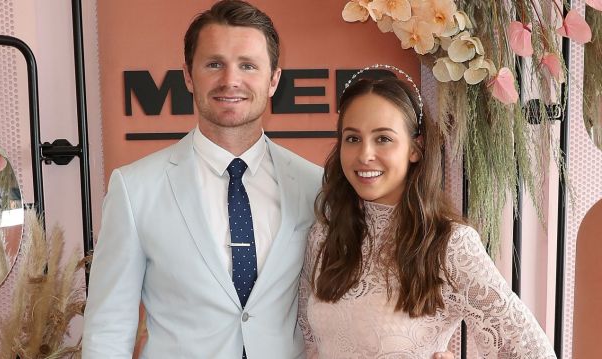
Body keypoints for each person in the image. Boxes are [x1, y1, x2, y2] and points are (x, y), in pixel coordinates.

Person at [82, 1, 456, 358]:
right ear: (188, 77)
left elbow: (368, 289)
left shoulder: (318, 186)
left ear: (274, 79)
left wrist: (423, 346)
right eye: (214, 64)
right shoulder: (135, 189)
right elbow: (108, 329)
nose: (231, 80)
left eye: (248, 66)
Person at [298, 68, 558, 358]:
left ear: (415, 148)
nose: (364, 154)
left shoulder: (450, 244)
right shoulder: (325, 234)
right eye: (352, 138)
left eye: (383, 138)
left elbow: (533, 351)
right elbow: (308, 343)